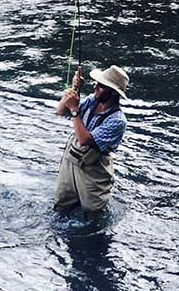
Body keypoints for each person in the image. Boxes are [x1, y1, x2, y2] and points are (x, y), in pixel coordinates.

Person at [54, 65, 129, 218]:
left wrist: (75, 110)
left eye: (101, 86)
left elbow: (84, 140)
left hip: (93, 169)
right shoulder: (91, 101)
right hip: (71, 161)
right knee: (62, 206)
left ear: (113, 93)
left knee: (93, 215)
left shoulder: (118, 121)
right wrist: (74, 89)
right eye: (97, 83)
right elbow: (61, 111)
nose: (95, 86)